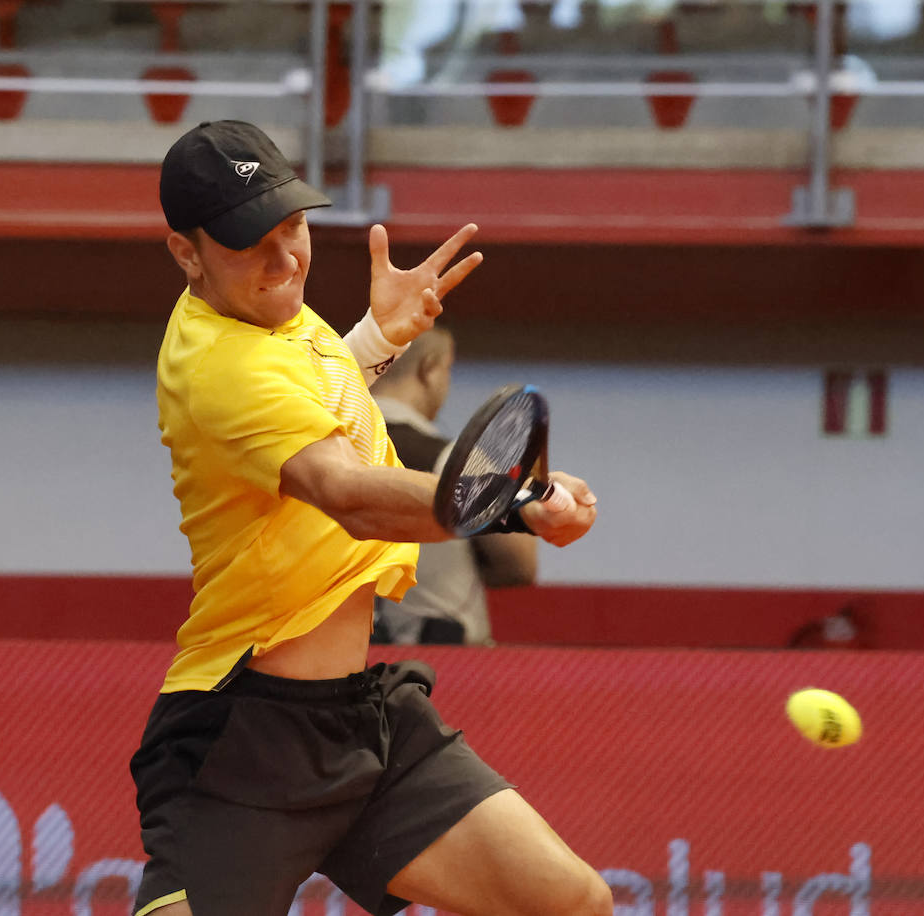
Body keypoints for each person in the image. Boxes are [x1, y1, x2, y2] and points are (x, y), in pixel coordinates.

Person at [130, 119, 608, 916]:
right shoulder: (218, 363)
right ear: (186, 252)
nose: (286, 260)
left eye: (294, 228)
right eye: (254, 242)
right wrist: (510, 503)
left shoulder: (279, 320)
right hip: (243, 737)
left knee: (572, 904)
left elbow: (312, 394)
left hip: (364, 725)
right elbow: (345, 494)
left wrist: (378, 336)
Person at [370, 327, 538, 646]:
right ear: (429, 369)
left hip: (339, 664)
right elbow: (520, 564)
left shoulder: (319, 453)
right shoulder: (455, 460)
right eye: (447, 370)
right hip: (444, 667)